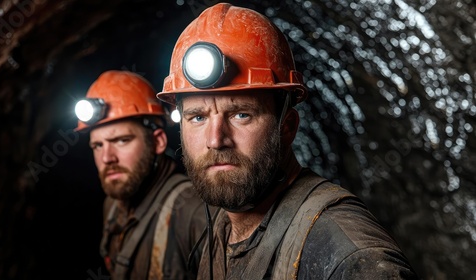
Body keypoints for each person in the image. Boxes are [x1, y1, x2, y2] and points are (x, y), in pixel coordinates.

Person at [157, 3, 419, 279]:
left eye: (241, 114)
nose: (215, 140)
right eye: (197, 118)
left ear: (287, 126)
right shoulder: (221, 228)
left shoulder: (346, 253)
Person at [74, 70, 206, 280]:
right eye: (97, 145)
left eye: (121, 140)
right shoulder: (113, 204)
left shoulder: (193, 212)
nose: (107, 158)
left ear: (158, 142)